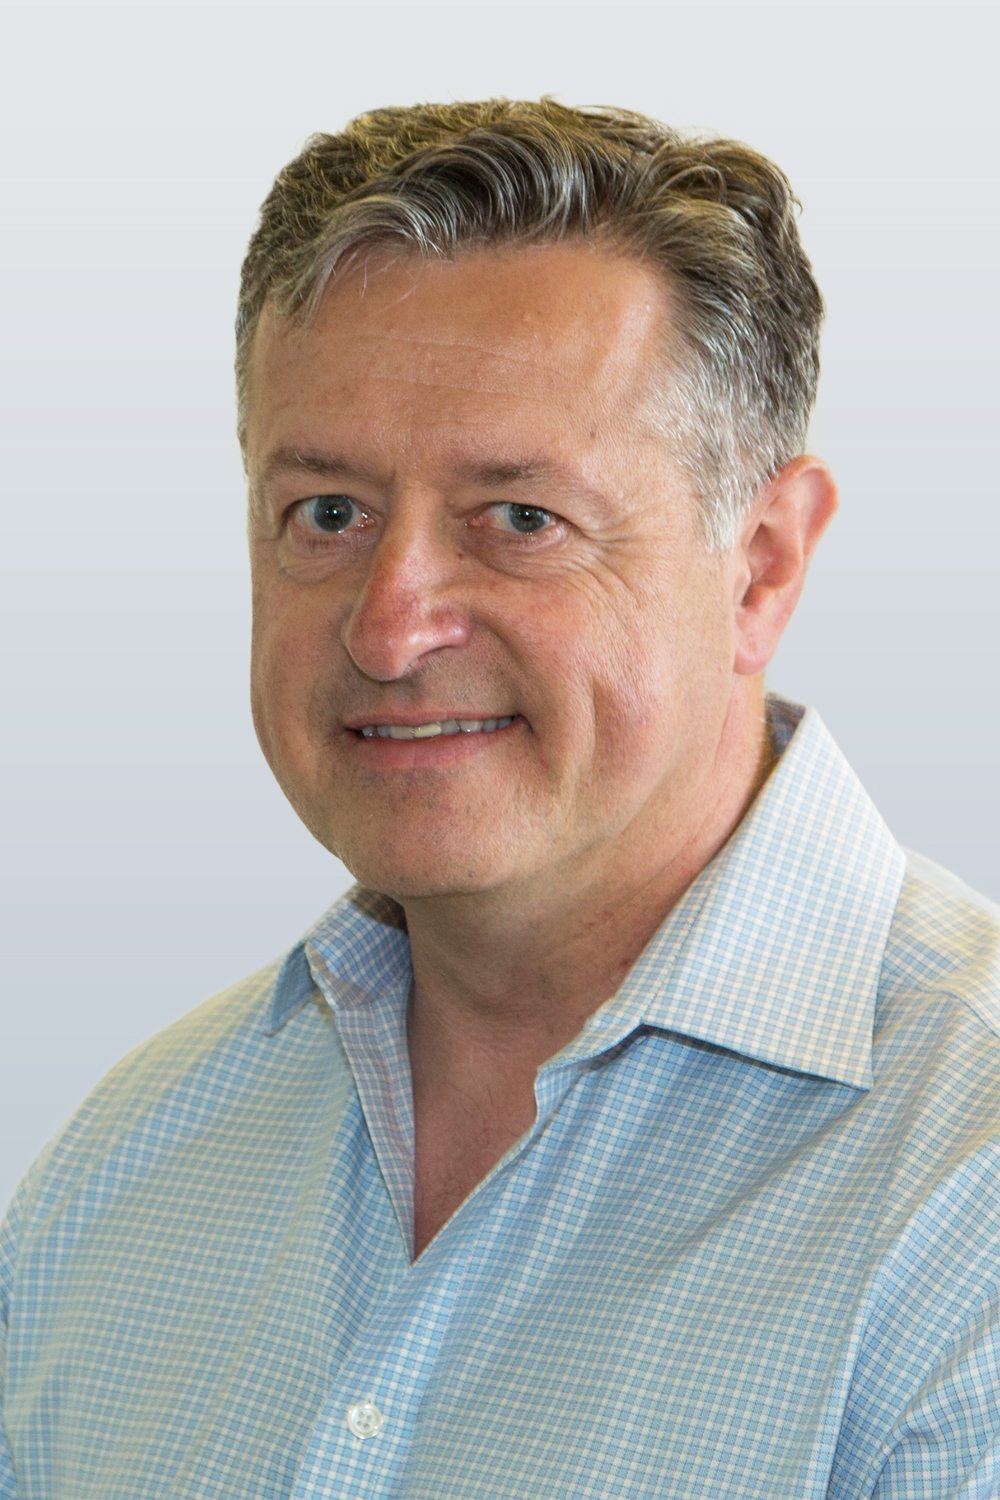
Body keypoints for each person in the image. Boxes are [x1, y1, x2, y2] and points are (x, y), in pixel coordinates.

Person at [1, 98, 997, 1499]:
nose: (389, 628)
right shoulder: (122, 1173)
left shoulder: (968, 1195)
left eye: (522, 519)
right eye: (329, 513)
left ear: (762, 566)